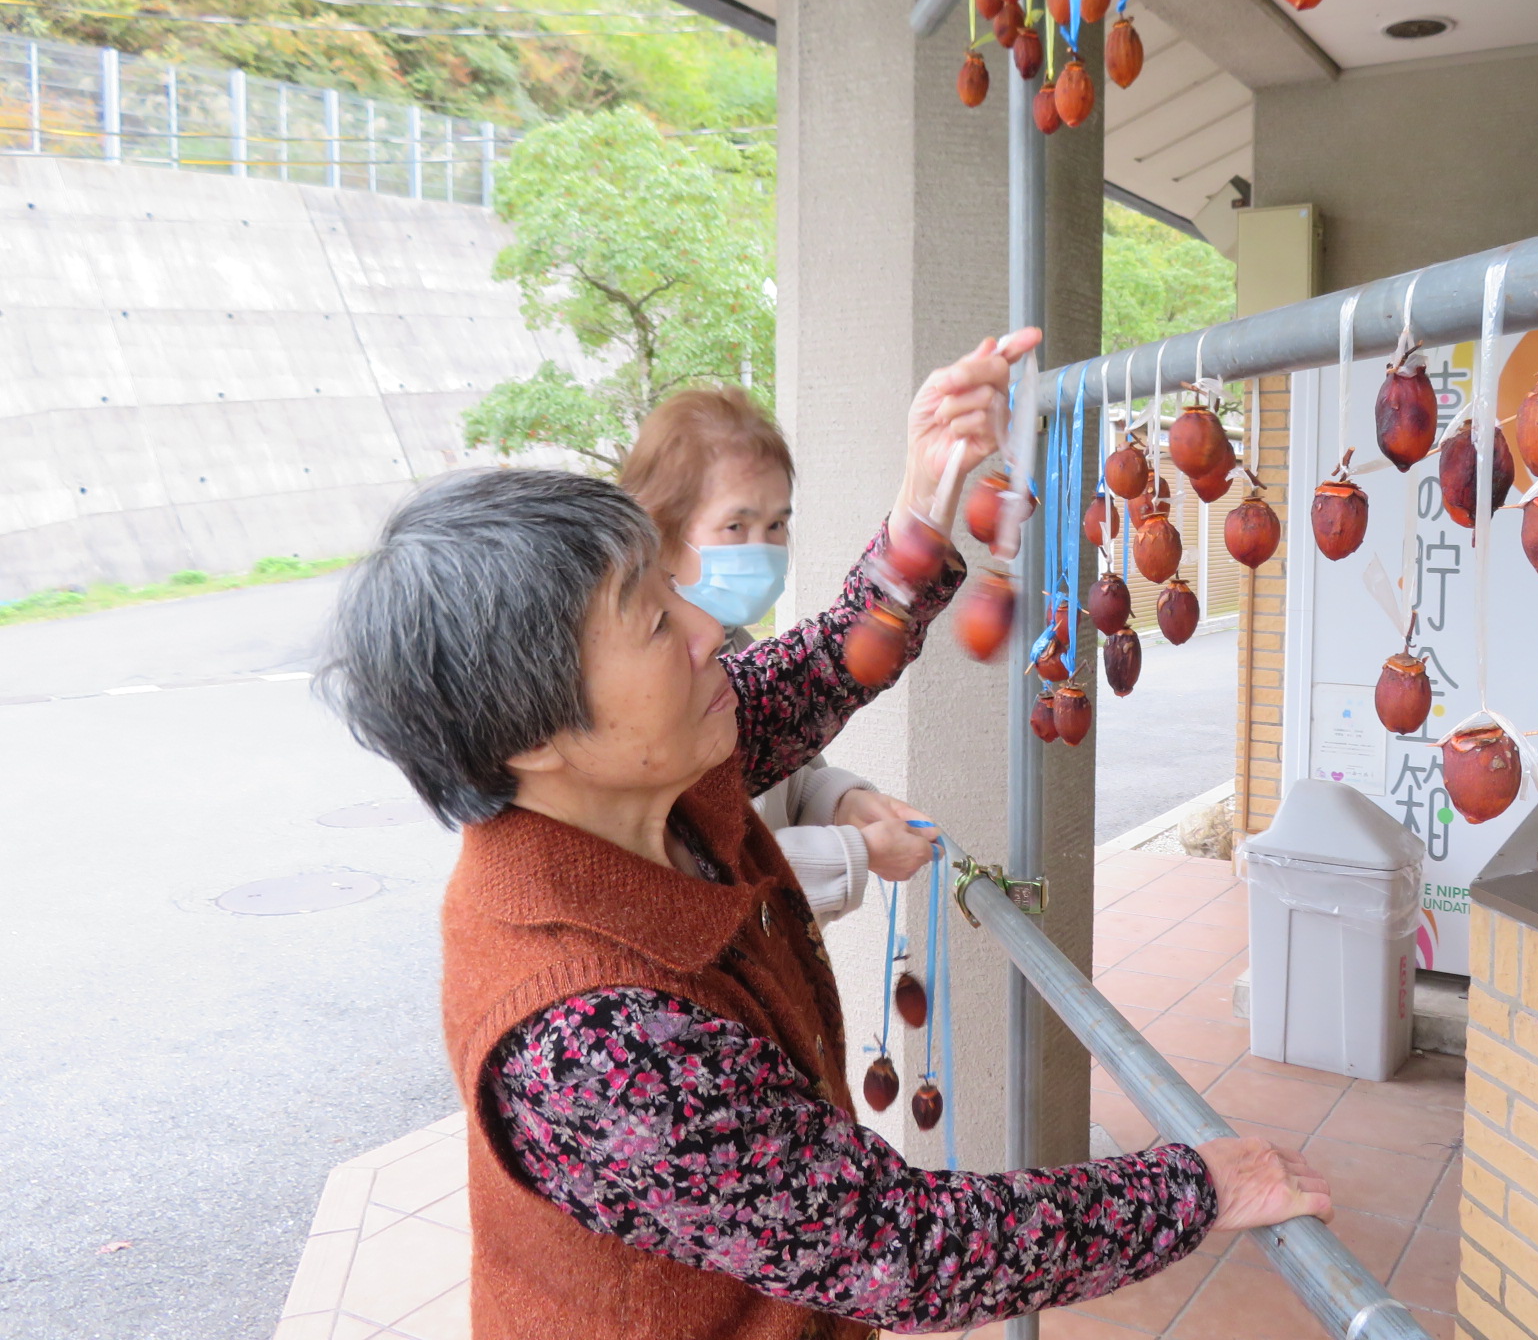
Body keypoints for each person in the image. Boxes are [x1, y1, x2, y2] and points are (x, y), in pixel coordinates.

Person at [320, 334, 1331, 1339]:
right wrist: (1191, 1189)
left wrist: (925, 493)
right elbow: (903, 1249)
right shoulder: (588, 1039)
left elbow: (825, 664)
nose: (707, 626)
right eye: (651, 618)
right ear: (533, 730)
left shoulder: (649, 779)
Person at [617, 385, 935, 922]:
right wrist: (857, 853)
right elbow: (688, 874)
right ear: (661, 532)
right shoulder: (638, 686)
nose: (761, 548)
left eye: (777, 525)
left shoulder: (736, 642)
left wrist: (842, 803)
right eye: (736, 526)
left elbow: (786, 762)